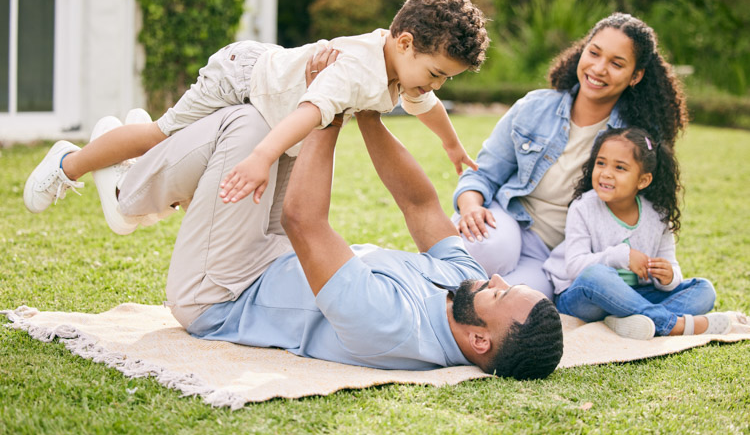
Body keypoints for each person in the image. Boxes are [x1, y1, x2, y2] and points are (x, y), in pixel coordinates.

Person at [107, 95, 563, 379]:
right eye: (507, 286)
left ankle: (127, 190)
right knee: (275, 113)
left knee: (249, 125)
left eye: (501, 297)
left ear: (480, 342)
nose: (497, 280)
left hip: (221, 292)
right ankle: (151, 165)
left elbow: (304, 221)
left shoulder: (393, 327)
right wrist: (367, 115)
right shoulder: (465, 284)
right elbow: (419, 204)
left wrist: (328, 113)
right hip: (273, 258)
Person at [24, 0, 489, 234]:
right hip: (240, 80)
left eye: (445, 77)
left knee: (196, 164)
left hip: (267, 89)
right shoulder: (356, 70)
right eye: (436, 73)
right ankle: (68, 163)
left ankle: (132, 161)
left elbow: (425, 105)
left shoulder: (402, 68)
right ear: (405, 43)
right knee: (161, 136)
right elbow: (308, 112)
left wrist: (452, 146)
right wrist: (262, 157)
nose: (436, 84)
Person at [452, 13, 689, 299]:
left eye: (616, 63)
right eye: (594, 53)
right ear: (582, 51)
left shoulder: (635, 141)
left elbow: (643, 214)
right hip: (508, 220)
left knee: (517, 302)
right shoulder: (534, 107)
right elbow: (482, 173)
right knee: (486, 249)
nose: (599, 69)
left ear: (635, 76)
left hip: (558, 257)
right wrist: (470, 207)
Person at [543, 127, 731, 339]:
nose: (606, 172)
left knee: (704, 290)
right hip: (584, 297)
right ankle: (671, 324)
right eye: (601, 163)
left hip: (636, 295)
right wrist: (622, 256)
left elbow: (672, 267)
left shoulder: (658, 216)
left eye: (620, 168)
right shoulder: (583, 207)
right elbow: (575, 268)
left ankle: (631, 321)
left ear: (643, 180)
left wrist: (669, 277)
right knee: (596, 275)